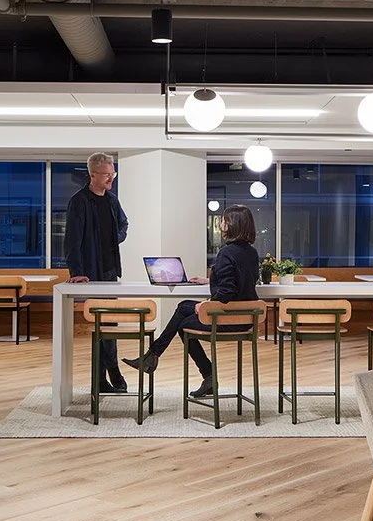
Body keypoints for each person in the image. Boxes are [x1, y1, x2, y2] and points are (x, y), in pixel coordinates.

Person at [123, 204, 260, 398]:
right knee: (183, 306)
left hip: (227, 319)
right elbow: (241, 281)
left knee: (183, 324)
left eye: (223, 220)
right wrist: (211, 280)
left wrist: (204, 306)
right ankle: (152, 356)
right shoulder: (251, 253)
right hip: (245, 318)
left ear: (232, 224)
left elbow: (227, 292)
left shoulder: (226, 253)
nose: (220, 223)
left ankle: (204, 373)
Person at [65, 152, 130, 394]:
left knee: (109, 323)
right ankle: (105, 377)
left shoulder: (112, 200)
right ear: (93, 175)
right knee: (101, 324)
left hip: (110, 270)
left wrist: (116, 237)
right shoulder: (79, 201)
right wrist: (77, 272)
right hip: (90, 273)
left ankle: (107, 375)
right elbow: (72, 241)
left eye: (113, 174)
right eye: (106, 175)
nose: (111, 178)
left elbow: (124, 224)